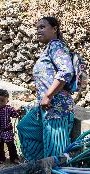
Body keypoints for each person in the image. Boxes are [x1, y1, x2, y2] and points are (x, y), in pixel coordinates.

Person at [17, 16, 75, 161]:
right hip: (45, 107)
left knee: (56, 150)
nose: (38, 31)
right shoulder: (49, 48)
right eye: (37, 28)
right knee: (25, 126)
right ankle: (41, 164)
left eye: (42, 27)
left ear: (55, 29)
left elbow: (66, 71)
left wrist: (48, 96)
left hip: (57, 108)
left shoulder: (56, 46)